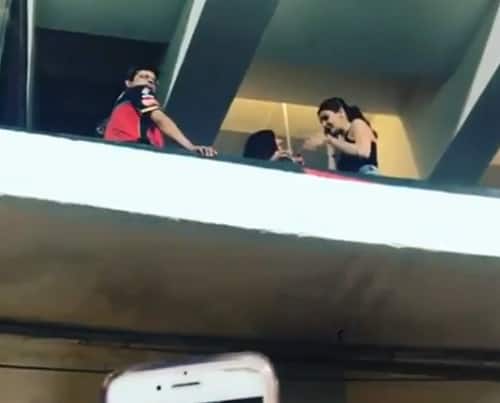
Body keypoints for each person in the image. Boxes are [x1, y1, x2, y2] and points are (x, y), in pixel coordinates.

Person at [103, 66, 216, 157]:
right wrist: (191, 147)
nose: (149, 81)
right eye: (144, 76)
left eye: (153, 80)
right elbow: (160, 119)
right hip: (136, 149)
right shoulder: (140, 90)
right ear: (129, 83)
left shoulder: (124, 102)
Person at [303, 98, 378, 174]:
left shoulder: (357, 123)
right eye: (321, 122)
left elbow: (363, 152)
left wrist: (330, 140)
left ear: (341, 112)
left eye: (326, 118)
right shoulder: (340, 139)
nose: (324, 124)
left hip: (365, 174)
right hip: (350, 176)